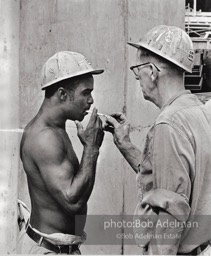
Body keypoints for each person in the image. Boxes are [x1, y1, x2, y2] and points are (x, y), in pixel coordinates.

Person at [104, 25, 211, 255]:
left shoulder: (168, 124)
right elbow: (168, 180)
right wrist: (126, 145)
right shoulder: (197, 112)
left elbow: (171, 214)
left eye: (138, 70)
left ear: (152, 71)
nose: (137, 77)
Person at [17, 51, 105, 254]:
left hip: (58, 247)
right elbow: (72, 201)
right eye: (86, 93)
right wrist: (91, 148)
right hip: (49, 250)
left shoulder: (56, 129)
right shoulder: (45, 138)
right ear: (63, 94)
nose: (91, 101)